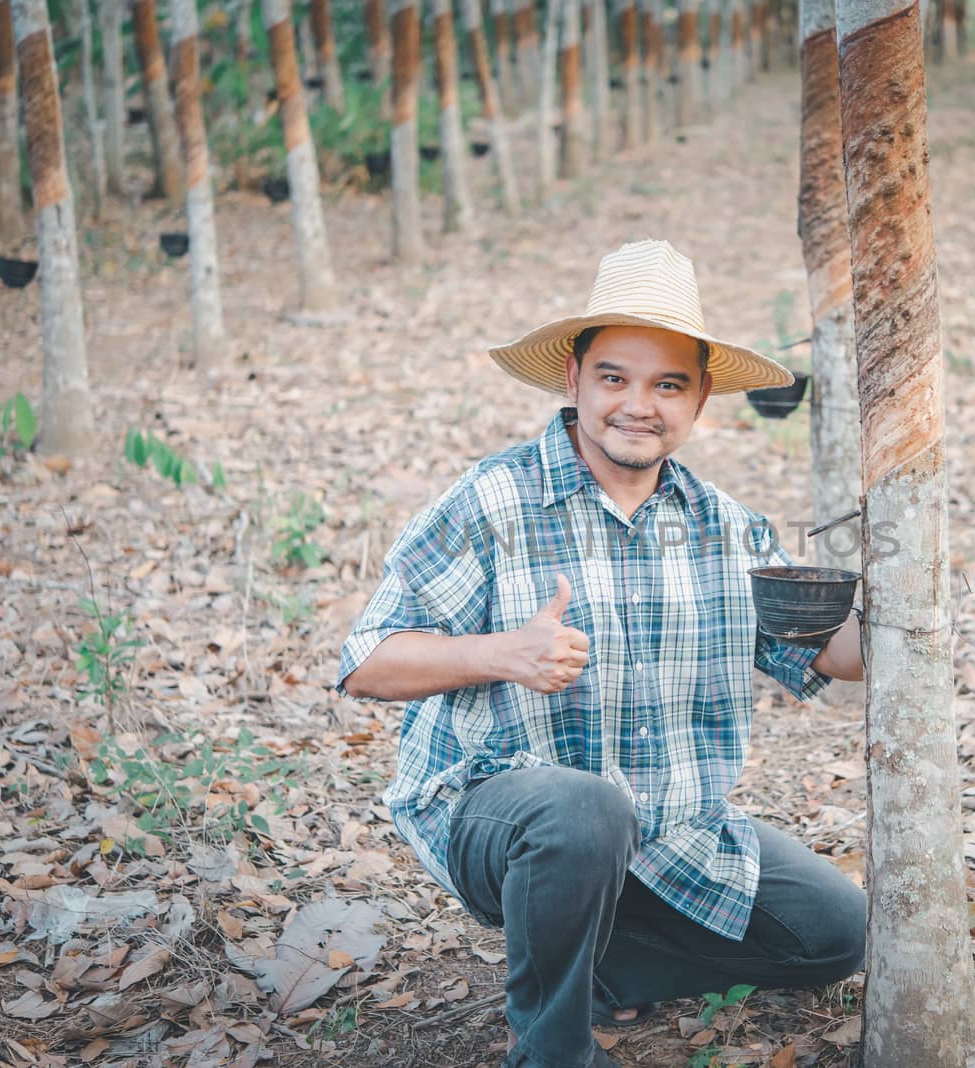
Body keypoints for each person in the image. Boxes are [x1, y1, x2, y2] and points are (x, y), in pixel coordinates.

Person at [338, 240, 866, 1068]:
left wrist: (907, 598)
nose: (638, 405)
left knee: (836, 933)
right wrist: (503, 654)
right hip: (500, 815)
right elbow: (365, 660)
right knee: (584, 812)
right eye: (614, 378)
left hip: (673, 827)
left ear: (700, 401)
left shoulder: (726, 528)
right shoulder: (497, 500)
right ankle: (550, 1045)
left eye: (668, 385)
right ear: (574, 379)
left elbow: (829, 654)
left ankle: (592, 964)